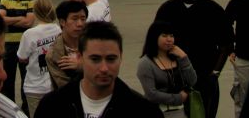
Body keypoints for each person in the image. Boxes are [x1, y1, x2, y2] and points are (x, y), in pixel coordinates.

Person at [35, 21, 163, 118]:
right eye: (95, 59)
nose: (104, 68)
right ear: (80, 57)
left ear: (121, 57)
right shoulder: (52, 106)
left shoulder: (144, 111)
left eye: (111, 59)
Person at [154, 0, 233, 118]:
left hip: (204, 77)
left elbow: (226, 45)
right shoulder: (167, 9)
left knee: (206, 113)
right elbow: (155, 40)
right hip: (174, 77)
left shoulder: (212, 9)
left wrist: (215, 73)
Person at [137, 21, 197, 117]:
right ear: (154, 37)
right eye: (164, 36)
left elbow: (192, 81)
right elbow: (151, 94)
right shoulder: (146, 63)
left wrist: (184, 57)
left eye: (171, 36)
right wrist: (179, 98)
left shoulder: (178, 58)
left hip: (181, 112)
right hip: (157, 112)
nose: (169, 39)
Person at [17, 0, 61, 118]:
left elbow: (22, 57)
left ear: (35, 12)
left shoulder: (29, 34)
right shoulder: (57, 29)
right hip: (53, 84)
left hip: (34, 86)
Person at [0, 0, 35, 114]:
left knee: (26, 79)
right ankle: (10, 109)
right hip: (9, 46)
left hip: (25, 45)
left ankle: (25, 110)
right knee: (8, 80)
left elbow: (29, 22)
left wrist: (10, 19)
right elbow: (1, 19)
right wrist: (20, 18)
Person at [46, 0, 88, 89]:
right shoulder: (54, 54)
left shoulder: (93, 45)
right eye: (75, 19)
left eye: (83, 19)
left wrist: (81, 66)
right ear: (62, 22)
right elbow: (65, 87)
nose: (80, 24)